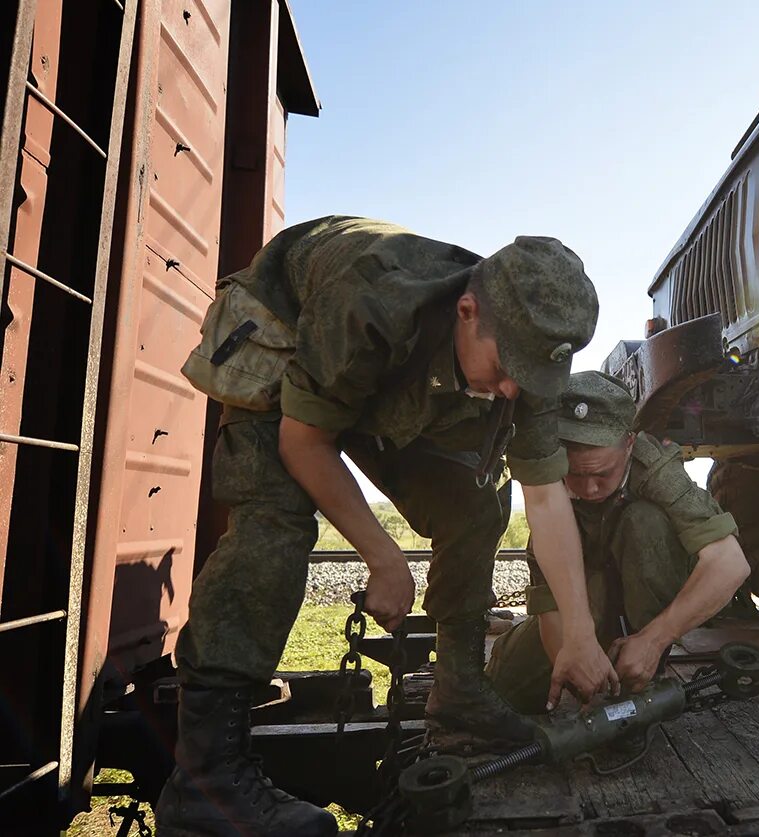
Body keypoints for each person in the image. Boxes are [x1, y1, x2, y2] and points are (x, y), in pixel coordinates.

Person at [156, 216, 617, 837]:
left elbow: (545, 497)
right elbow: (306, 441)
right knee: (273, 523)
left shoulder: (526, 352)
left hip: (387, 374)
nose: (513, 387)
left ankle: (458, 689)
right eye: (508, 366)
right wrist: (384, 556)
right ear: (468, 309)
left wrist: (582, 634)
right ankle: (205, 779)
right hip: (292, 331)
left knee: (479, 504)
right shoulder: (369, 298)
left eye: (532, 376)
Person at [485, 370, 751, 712]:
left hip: (644, 614)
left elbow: (730, 564)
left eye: (602, 474)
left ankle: (640, 672)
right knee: (505, 687)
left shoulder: (657, 470)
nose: (590, 489)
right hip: (583, 605)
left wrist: (654, 641)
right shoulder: (549, 488)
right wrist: (575, 669)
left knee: (646, 523)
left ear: (628, 445)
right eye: (576, 475)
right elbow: (550, 608)